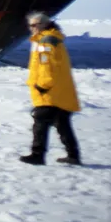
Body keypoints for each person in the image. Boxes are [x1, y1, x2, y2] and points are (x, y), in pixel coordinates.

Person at [21, 12, 82, 166]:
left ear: (45, 24)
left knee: (40, 121)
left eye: (36, 25)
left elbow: (47, 65)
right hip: (59, 89)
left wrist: (43, 85)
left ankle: (37, 155)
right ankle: (73, 155)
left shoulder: (46, 42)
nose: (33, 28)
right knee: (62, 122)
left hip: (49, 90)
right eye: (31, 25)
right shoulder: (50, 39)